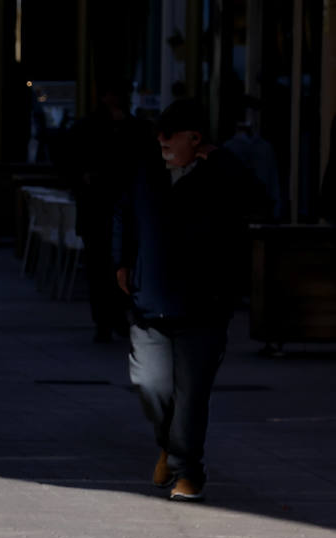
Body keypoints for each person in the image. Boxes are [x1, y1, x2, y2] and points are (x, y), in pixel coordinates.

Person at [113, 99, 262, 502]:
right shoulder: (147, 170)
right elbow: (125, 213)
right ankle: (172, 448)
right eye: (158, 135)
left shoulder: (221, 173)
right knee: (149, 383)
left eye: (170, 136)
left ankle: (186, 470)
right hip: (151, 301)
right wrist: (122, 261)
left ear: (195, 139)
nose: (161, 142)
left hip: (204, 304)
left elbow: (259, 199)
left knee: (192, 395)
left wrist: (221, 158)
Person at [63, 78, 156, 342]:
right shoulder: (91, 128)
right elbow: (70, 162)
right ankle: (105, 320)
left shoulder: (134, 128)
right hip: (99, 207)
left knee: (121, 265)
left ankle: (117, 318)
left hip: (121, 207)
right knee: (100, 268)